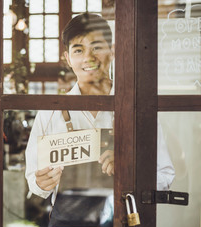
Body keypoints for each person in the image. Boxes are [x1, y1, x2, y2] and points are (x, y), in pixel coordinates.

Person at [25, 13, 175, 204]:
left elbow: (165, 175)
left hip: (125, 224)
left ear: (112, 51)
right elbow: (33, 180)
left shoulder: (138, 109)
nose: (89, 57)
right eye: (78, 50)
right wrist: (41, 182)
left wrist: (129, 170)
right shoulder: (49, 113)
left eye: (96, 47)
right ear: (67, 58)